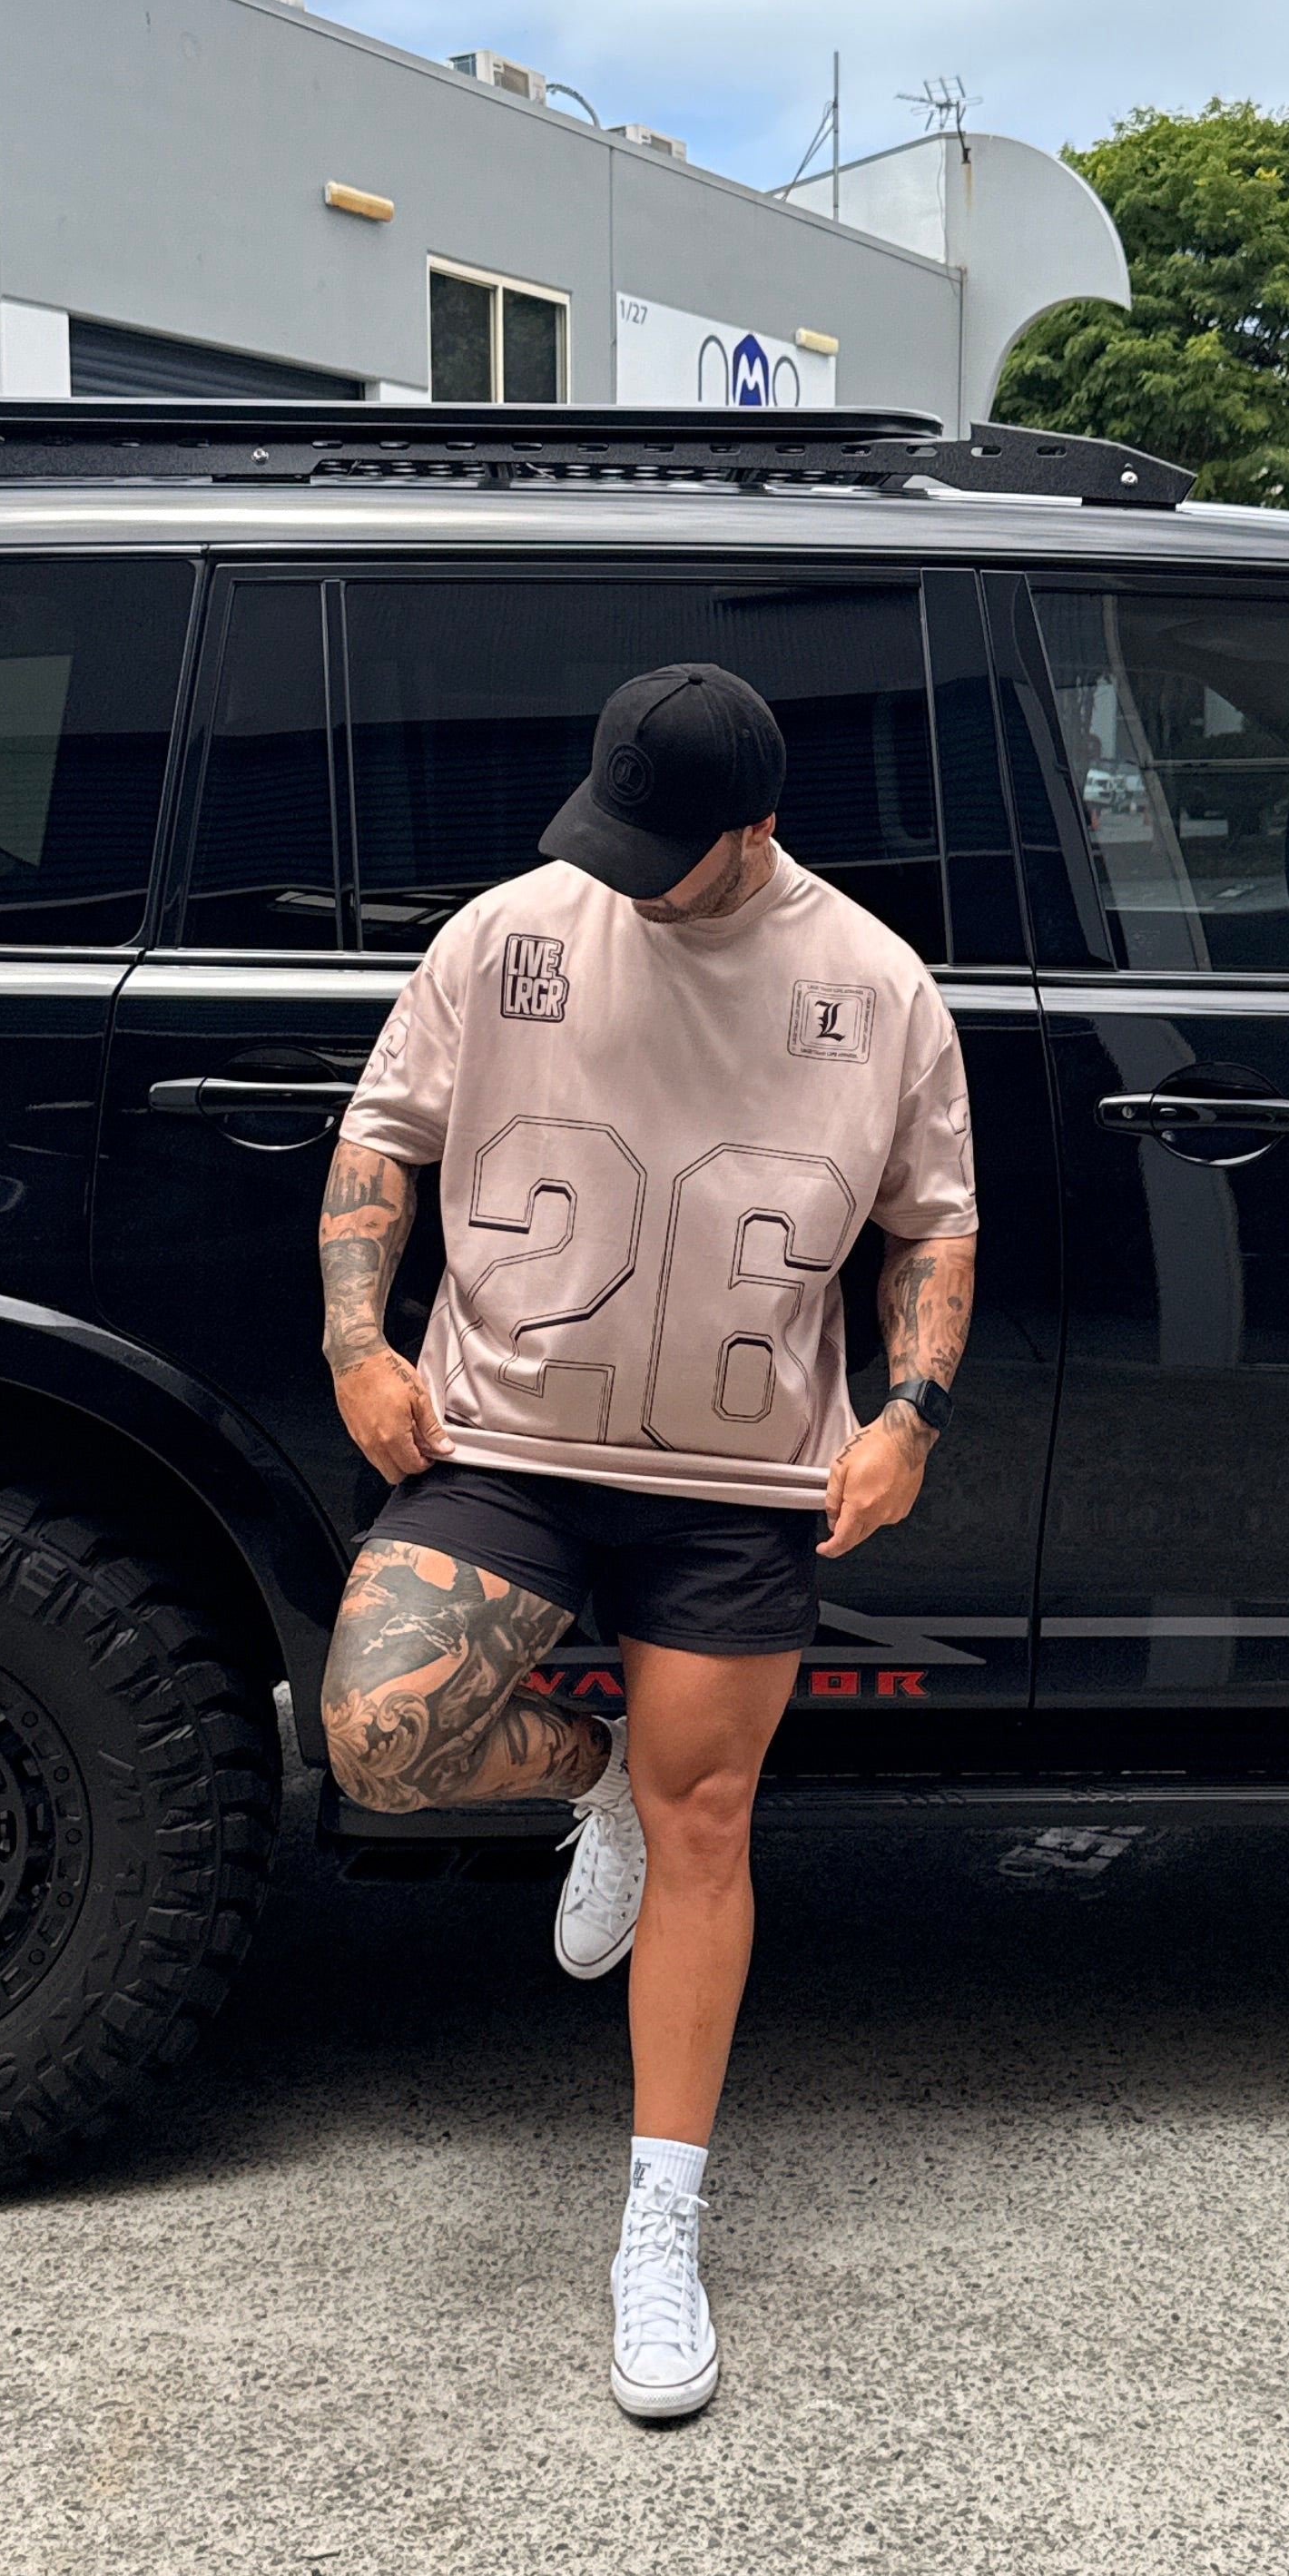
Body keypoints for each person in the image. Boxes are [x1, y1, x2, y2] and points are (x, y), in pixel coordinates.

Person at [314, 661, 977, 2418]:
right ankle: (584, 1770)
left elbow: (929, 1228)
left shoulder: (876, 986)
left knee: (715, 1825)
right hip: (508, 1432)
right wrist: (358, 1344)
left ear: (756, 830)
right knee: (377, 1736)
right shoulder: (512, 934)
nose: (620, 873)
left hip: (742, 1476)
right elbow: (381, 1135)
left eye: (661, 850)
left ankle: (658, 2225)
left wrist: (910, 1417)